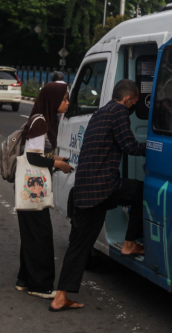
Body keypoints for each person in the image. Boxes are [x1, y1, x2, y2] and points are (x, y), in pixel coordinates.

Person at [51, 79, 145, 312]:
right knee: (140, 191)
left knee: (78, 245)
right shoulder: (120, 112)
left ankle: (60, 296)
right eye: (134, 102)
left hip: (84, 189)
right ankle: (129, 243)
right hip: (102, 189)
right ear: (127, 99)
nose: (133, 106)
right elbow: (130, 146)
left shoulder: (101, 112)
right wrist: (156, 146)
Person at [16, 82, 73, 299]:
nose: (67, 103)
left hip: (32, 187)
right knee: (41, 235)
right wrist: (59, 164)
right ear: (53, 100)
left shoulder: (43, 120)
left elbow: (41, 153)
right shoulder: (40, 122)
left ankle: (25, 279)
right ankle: (39, 285)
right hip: (33, 188)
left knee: (32, 233)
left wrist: (58, 159)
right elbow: (33, 157)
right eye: (64, 99)